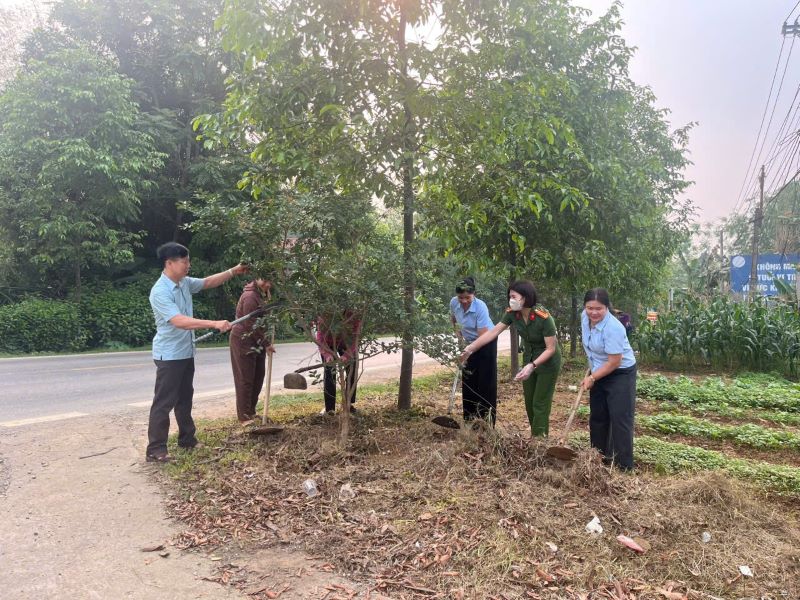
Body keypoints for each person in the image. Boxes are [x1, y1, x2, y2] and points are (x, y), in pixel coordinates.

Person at [146, 242, 248, 463]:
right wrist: (213, 323)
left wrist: (234, 271)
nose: (188, 265)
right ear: (169, 263)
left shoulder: (183, 283)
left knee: (185, 398)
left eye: (188, 261)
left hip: (185, 352)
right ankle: (155, 449)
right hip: (169, 355)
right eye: (184, 262)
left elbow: (208, 282)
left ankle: (187, 439)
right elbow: (179, 321)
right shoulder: (160, 291)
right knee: (164, 402)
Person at [461, 280, 562, 435]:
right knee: (529, 401)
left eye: (514, 296)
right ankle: (536, 435)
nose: (511, 300)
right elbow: (493, 332)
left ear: (525, 297)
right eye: (510, 296)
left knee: (540, 403)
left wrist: (533, 365)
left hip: (548, 362)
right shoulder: (513, 314)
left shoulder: (543, 317)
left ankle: (539, 441)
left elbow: (550, 349)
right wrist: (470, 348)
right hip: (529, 358)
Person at [581, 288, 638, 471]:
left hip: (620, 373)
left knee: (620, 418)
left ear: (607, 307)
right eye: (590, 308)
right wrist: (592, 371)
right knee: (598, 416)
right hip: (598, 369)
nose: (593, 312)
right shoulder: (584, 318)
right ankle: (597, 460)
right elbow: (591, 347)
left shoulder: (613, 327)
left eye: (599, 308)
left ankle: (623, 467)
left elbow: (614, 362)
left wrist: (593, 377)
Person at [449, 277, 497, 424]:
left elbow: (482, 336)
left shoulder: (480, 307)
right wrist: (461, 342)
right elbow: (454, 321)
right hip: (467, 343)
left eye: (467, 297)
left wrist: (469, 350)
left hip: (486, 342)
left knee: (484, 381)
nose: (464, 301)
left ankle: (486, 422)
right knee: (469, 380)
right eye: (461, 297)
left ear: (474, 294)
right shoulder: (453, 302)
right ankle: (469, 420)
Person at [230, 278, 274, 423]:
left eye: (271, 281)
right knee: (246, 379)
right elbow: (250, 324)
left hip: (257, 340)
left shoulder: (262, 295)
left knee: (258, 377)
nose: (268, 284)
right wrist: (266, 343)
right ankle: (244, 417)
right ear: (257, 278)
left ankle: (251, 412)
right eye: (265, 280)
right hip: (244, 340)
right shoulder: (250, 297)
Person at [316, 311, 362, 414]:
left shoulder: (354, 315)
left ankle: (348, 404)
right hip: (327, 344)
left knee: (352, 370)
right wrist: (327, 354)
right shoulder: (325, 313)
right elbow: (320, 337)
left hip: (347, 343)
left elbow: (356, 338)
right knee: (329, 373)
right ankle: (330, 409)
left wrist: (347, 355)